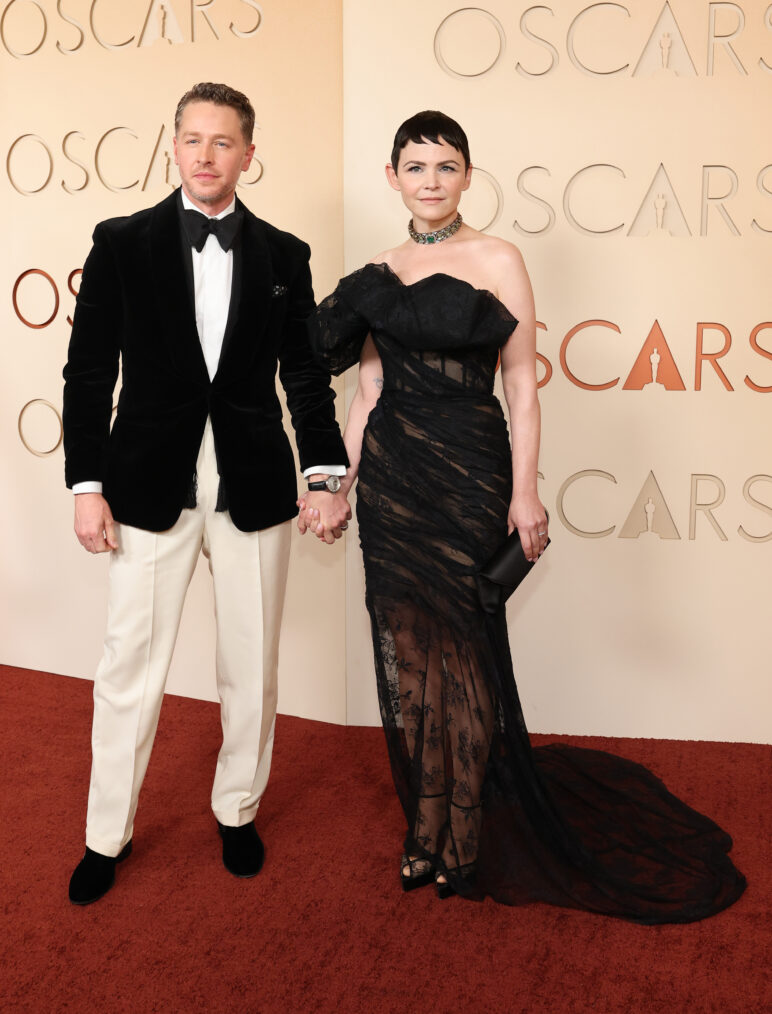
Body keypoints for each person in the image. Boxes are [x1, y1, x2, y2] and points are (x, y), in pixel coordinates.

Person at [301, 110, 746, 921]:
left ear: (468, 176)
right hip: (395, 483)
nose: (430, 181)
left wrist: (525, 491)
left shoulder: (500, 258)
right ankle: (425, 822)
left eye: (446, 166)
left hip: (471, 471)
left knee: (463, 657)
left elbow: (522, 390)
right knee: (407, 651)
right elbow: (366, 393)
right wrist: (338, 483)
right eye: (415, 166)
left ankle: (464, 833)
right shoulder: (375, 272)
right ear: (392, 176)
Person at [62, 82, 350, 905]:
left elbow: (304, 375)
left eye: (223, 142)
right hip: (147, 487)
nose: (205, 154)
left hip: (254, 485)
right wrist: (87, 485)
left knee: (250, 665)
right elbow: (89, 373)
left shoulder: (284, 254)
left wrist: (323, 473)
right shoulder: (121, 242)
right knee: (129, 667)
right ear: (174, 147)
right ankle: (104, 834)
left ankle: (236, 810)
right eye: (192, 139)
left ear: (249, 154)